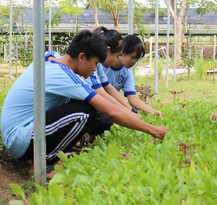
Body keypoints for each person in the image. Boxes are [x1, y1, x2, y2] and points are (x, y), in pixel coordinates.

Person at [0, 30, 169, 176]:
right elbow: (110, 110)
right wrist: (152, 129)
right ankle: (41, 166)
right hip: (18, 139)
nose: (95, 69)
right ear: (82, 57)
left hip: (18, 134)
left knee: (84, 108)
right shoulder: (66, 76)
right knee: (85, 111)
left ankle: (45, 158)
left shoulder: (53, 62)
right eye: (95, 63)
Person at [100, 34, 163, 117]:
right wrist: (128, 110)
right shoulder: (101, 65)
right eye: (132, 57)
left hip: (111, 106)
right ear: (122, 52)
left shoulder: (127, 72)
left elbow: (132, 99)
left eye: (136, 59)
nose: (134, 61)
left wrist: (152, 111)